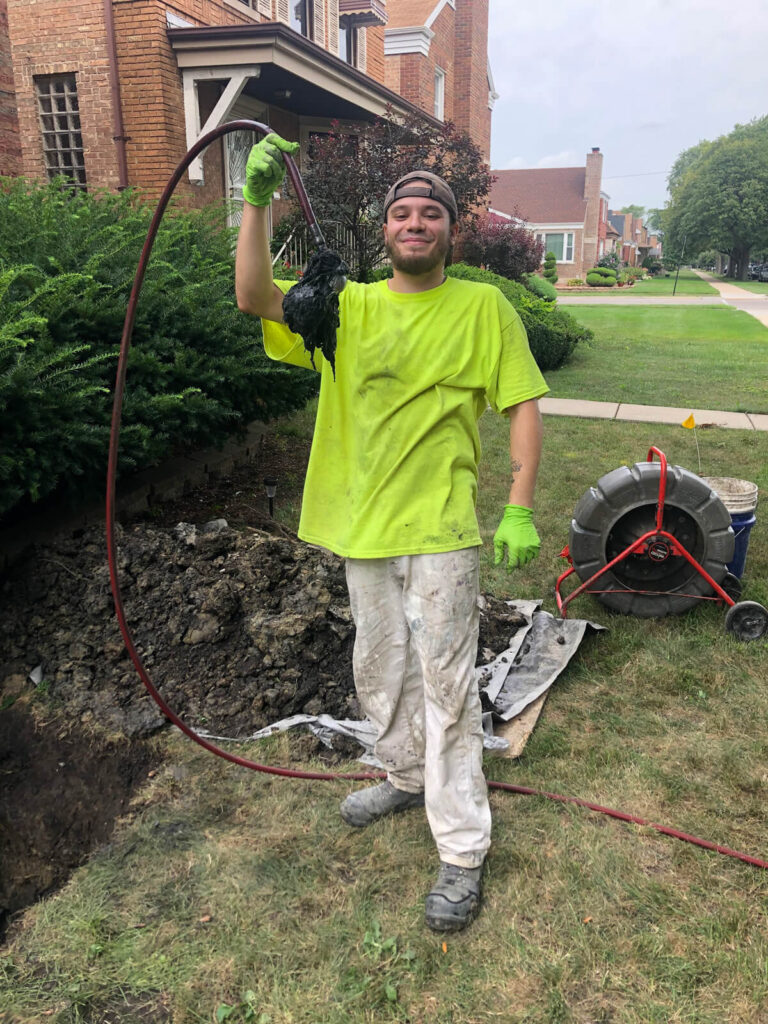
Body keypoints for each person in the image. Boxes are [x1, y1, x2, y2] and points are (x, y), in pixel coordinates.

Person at [235, 133, 548, 932]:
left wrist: (518, 503)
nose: (415, 222)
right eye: (402, 212)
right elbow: (253, 298)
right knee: (378, 668)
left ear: (451, 230)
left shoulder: (485, 308)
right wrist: (256, 200)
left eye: (430, 212)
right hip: (359, 525)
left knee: (447, 686)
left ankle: (463, 848)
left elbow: (522, 405)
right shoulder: (345, 307)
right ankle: (406, 776)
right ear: (386, 230)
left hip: (440, 527)